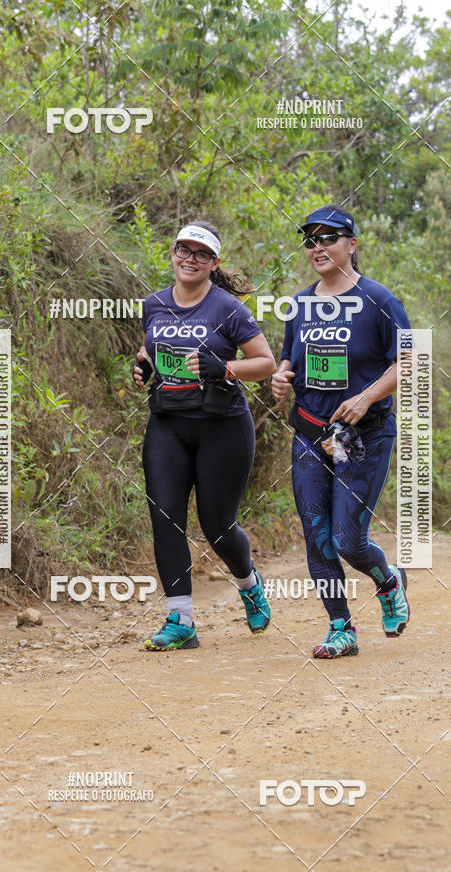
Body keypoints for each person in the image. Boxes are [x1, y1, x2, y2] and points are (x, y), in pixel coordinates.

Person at [271, 204, 411, 658]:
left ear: (352, 243)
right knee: (317, 535)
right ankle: (340, 628)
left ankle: (388, 581)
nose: (318, 247)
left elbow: (410, 361)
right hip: (311, 433)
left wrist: (368, 396)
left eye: (328, 237)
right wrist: (281, 374)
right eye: (310, 239)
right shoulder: (300, 302)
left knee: (349, 540)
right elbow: (290, 355)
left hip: (363, 436)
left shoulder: (379, 300)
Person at [132, 220, 276, 650]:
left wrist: (225, 367)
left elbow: (266, 362)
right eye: (183, 250)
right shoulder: (154, 303)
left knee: (217, 526)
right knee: (165, 517)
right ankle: (181, 619)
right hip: (168, 425)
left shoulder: (228, 308)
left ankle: (249, 584)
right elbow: (150, 346)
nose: (189, 259)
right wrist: (142, 365)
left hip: (222, 427)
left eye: (200, 254)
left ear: (214, 263)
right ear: (173, 254)